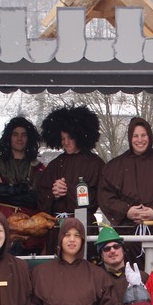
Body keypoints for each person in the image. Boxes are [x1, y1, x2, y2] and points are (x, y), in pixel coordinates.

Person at [97, 116, 153, 248]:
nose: (140, 140)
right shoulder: (114, 167)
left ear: (149, 136)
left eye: (143, 135)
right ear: (129, 138)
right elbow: (105, 197)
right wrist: (127, 210)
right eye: (135, 136)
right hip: (126, 236)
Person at [35, 105, 104, 244]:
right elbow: (40, 197)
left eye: (70, 138)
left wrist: (69, 190)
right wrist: (53, 194)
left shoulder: (95, 164)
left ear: (80, 136)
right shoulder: (55, 164)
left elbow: (98, 199)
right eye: (62, 138)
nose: (66, 143)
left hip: (83, 226)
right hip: (57, 229)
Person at [0, 116, 46, 256]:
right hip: (2, 227)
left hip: (29, 232)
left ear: (29, 138)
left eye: (23, 135)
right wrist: (24, 189)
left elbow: (34, 199)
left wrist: (6, 191)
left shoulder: (38, 167)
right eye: (15, 134)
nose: (19, 138)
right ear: (9, 137)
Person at [94, 224, 146, 302]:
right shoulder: (95, 278)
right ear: (101, 254)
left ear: (123, 250)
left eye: (116, 246)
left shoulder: (142, 277)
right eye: (107, 249)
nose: (112, 251)